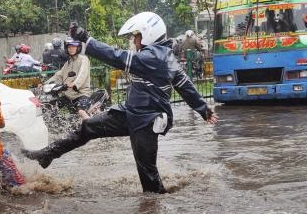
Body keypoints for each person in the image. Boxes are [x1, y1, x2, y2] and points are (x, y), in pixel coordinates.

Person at [22, 12, 218, 194]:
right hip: (130, 113)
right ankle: (48, 154)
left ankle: (155, 212)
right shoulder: (163, 56)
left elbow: (117, 57)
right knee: (88, 126)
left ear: (149, 34)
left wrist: (87, 39)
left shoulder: (153, 57)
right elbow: (186, 86)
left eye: (137, 36)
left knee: (148, 176)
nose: (134, 40)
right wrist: (203, 109)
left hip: (146, 122)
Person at [42, 37, 91, 119]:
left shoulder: (83, 59)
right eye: (69, 47)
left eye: (73, 47)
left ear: (78, 47)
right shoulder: (68, 62)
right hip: (68, 95)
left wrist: (75, 84)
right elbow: (59, 75)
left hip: (81, 93)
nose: (71, 49)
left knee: (81, 111)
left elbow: (83, 73)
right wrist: (45, 83)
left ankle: (91, 128)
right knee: (51, 105)